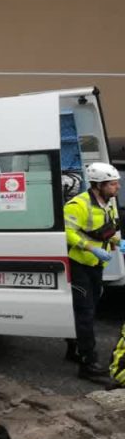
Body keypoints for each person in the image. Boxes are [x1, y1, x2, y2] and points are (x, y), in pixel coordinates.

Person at [65, 162, 121, 380]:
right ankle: (89, 365)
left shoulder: (109, 202)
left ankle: (74, 349)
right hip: (80, 265)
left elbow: (108, 229)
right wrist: (90, 248)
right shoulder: (78, 205)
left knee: (87, 310)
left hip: (97, 266)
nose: (117, 188)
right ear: (98, 185)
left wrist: (119, 243)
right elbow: (66, 231)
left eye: (117, 183)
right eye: (113, 184)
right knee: (85, 313)